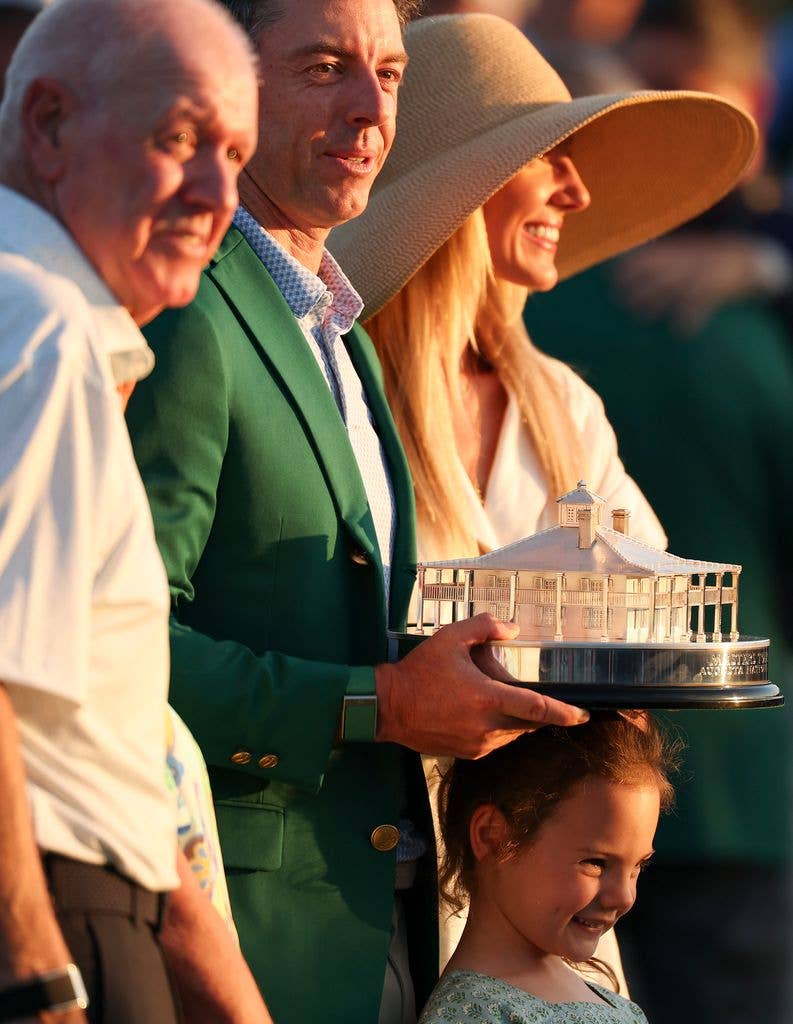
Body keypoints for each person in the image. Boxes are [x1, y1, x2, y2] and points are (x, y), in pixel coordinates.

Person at [125, 2, 594, 1022]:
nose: (370, 106)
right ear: (231, 93)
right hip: (245, 943)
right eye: (326, 67)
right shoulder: (196, 312)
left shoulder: (334, 326)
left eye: (388, 74)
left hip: (378, 918)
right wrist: (377, 702)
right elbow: (119, 650)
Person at [328, 10, 756, 974]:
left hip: (541, 918)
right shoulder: (340, 400)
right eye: (546, 155)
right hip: (360, 904)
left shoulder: (560, 403)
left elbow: (658, 628)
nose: (577, 185)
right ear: (457, 187)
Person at [0, 1, 273, 1021]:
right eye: (179, 140)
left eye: (237, 156)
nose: (218, 196)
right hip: (54, 917)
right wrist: (38, 979)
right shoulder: (41, 328)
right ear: (49, 123)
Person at [417, 713, 680, 1024]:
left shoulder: (603, 995)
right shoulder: (474, 1014)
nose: (624, 897)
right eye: (595, 863)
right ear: (492, 836)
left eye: (638, 866)